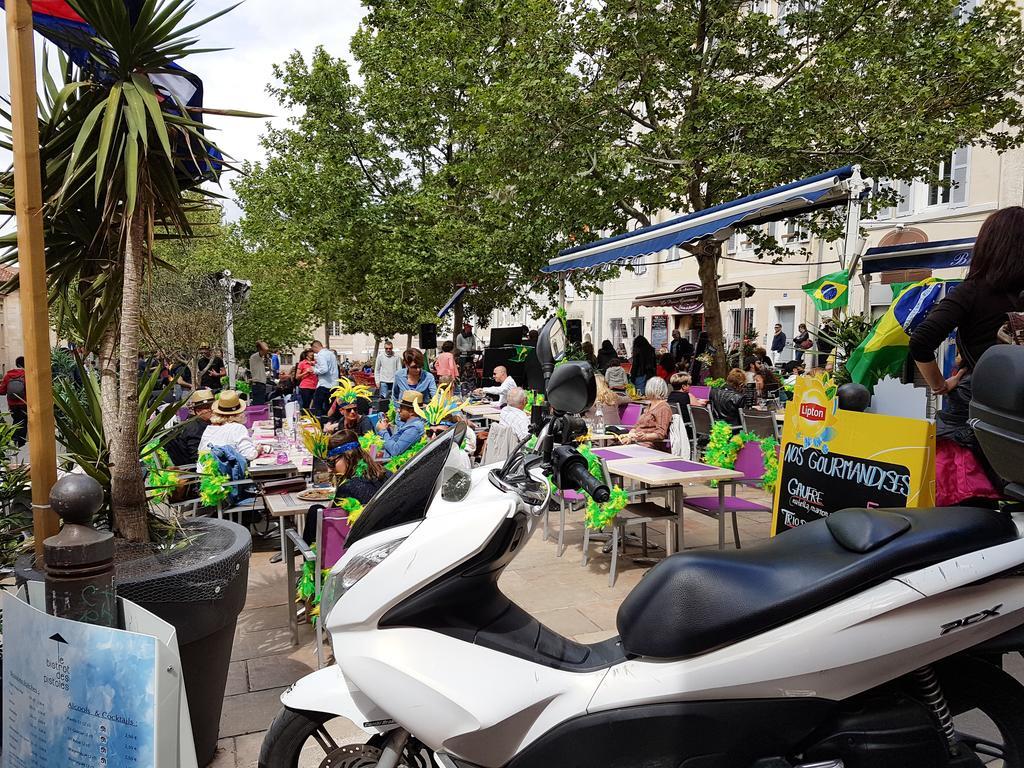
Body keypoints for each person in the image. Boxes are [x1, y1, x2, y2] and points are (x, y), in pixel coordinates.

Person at [910, 206, 1024, 489]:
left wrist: (940, 385)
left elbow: (921, 340)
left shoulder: (972, 291)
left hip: (976, 411)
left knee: (970, 495)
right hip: (1020, 408)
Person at [303, 430, 390, 544]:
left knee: (315, 510)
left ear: (348, 455)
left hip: (349, 552)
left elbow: (331, 526)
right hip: (386, 543)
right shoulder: (387, 475)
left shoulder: (348, 488)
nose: (329, 469)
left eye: (332, 462)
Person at [198, 390, 258, 460]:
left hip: (206, 470)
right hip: (227, 470)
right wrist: (258, 450)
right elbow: (249, 455)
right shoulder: (238, 428)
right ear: (240, 413)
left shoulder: (209, 429)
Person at [165, 389, 215, 465]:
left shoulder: (203, 423)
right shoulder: (196, 428)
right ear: (198, 411)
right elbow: (197, 456)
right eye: (207, 407)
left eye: (213, 406)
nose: (212, 410)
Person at [619, 377, 671, 447]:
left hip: (648, 444)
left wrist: (645, 436)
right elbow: (637, 426)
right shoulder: (650, 405)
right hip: (637, 441)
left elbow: (661, 433)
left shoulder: (663, 407)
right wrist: (630, 435)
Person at [377, 390, 427, 459]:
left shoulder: (414, 428)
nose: (398, 410)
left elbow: (395, 450)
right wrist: (387, 429)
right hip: (383, 458)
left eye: (401, 408)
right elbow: (394, 441)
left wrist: (383, 431)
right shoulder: (409, 424)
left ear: (411, 411)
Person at [1, 356, 27, 447]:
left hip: (12, 405)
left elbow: (2, 391)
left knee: (16, 420)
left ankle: (14, 439)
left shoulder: (8, 376)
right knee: (23, 422)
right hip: (24, 403)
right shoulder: (26, 374)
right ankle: (19, 441)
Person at [311, 340, 339, 417]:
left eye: (313, 350)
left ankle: (318, 421)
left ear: (315, 347)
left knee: (317, 405)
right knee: (330, 407)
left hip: (325, 384)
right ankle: (329, 421)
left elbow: (324, 369)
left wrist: (314, 370)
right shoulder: (331, 354)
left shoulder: (320, 355)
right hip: (334, 383)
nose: (314, 352)